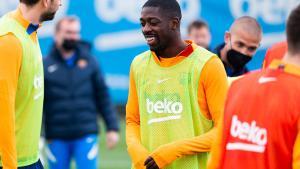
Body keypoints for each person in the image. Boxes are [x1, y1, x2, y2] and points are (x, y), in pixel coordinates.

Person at [126, 0, 228, 169]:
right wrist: (137, 152)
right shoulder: (138, 64)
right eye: (142, 23)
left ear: (174, 23)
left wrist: (174, 151)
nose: (146, 29)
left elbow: (224, 129)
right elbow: (132, 121)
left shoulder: (208, 64)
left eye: (153, 22)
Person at [208, 4, 300, 169]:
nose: (243, 52)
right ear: (227, 37)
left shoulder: (239, 86)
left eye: (251, 48)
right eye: (240, 45)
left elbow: (216, 160)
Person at [43, 17, 120, 169]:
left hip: (86, 134)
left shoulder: (91, 61)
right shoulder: (45, 64)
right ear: (57, 34)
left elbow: (102, 95)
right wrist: (38, 135)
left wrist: (112, 127)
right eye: (68, 32)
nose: (73, 36)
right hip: (56, 136)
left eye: (76, 33)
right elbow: (37, 103)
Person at [0, 0, 61, 168]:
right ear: (46, 1)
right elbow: (2, 113)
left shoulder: (29, 30)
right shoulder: (9, 40)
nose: (61, 3)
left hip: (30, 159)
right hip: (13, 163)